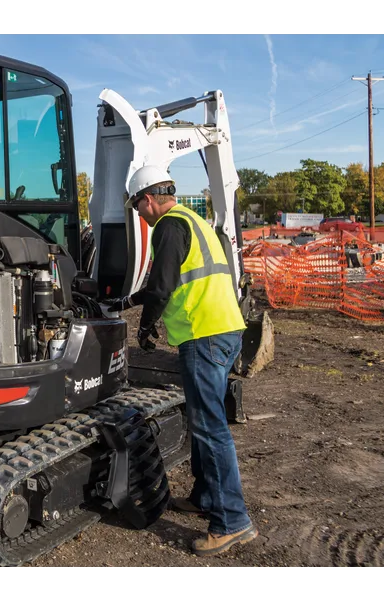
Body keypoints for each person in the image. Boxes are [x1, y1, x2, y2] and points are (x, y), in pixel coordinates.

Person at [105, 164, 258, 557]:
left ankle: (232, 522)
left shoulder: (168, 227)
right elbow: (172, 280)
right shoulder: (194, 221)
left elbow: (163, 286)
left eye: (138, 206)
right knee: (206, 422)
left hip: (203, 336)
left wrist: (144, 326)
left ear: (149, 198)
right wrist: (128, 300)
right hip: (224, 331)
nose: (139, 214)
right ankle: (207, 498)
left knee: (210, 429)